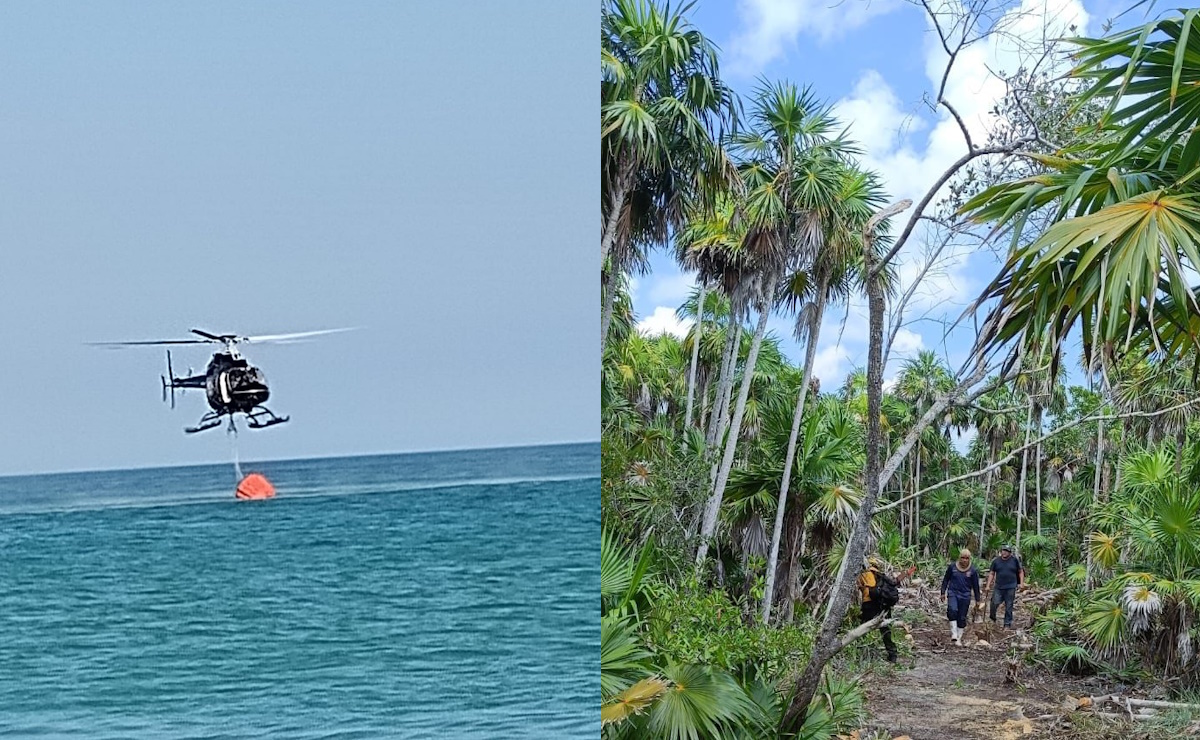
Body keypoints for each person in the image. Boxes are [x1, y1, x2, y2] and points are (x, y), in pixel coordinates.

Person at [857, 555, 898, 663]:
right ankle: (892, 655)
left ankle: (860, 653)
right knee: (886, 631)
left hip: (869, 604)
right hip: (883, 605)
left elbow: (868, 589)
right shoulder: (881, 575)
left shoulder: (865, 574)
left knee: (863, 628)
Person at [940, 548, 982, 645]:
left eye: (967, 558)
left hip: (965, 595)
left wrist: (977, 600)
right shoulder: (952, 567)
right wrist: (943, 592)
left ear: (969, 559)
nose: (964, 560)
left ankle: (959, 637)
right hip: (953, 593)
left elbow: (976, 586)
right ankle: (954, 633)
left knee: (962, 617)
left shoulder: (973, 570)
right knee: (952, 610)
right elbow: (946, 580)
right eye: (962, 558)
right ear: (959, 558)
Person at [985, 544, 1025, 628]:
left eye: (1006, 551)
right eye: (1003, 550)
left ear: (1010, 553)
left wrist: (1021, 583)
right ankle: (992, 618)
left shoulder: (1014, 560)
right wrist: (988, 585)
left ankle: (1007, 623)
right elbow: (992, 573)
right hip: (999, 586)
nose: (1004, 552)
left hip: (1011, 587)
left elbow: (1020, 571)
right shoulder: (996, 561)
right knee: (994, 603)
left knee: (1009, 605)